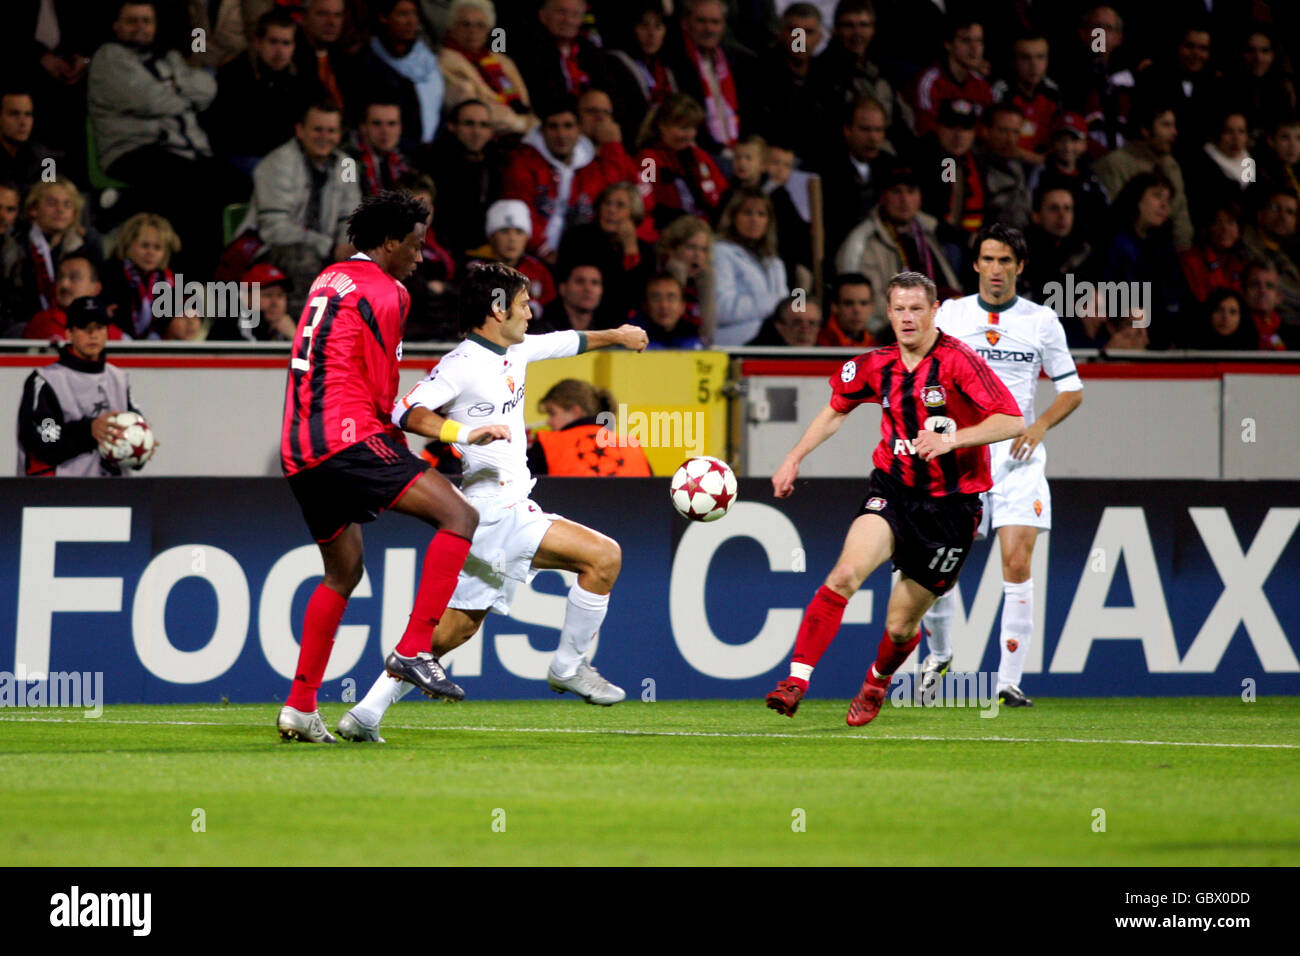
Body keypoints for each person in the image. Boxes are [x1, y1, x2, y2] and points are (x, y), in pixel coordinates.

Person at [336, 262, 650, 741]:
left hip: (499, 511)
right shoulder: (462, 364)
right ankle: (568, 667)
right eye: (523, 304)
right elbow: (404, 410)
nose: (530, 313)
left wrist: (619, 335)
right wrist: (464, 432)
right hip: (493, 506)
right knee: (604, 556)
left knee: (456, 630)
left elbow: (567, 340)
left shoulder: (515, 350)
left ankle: (366, 712)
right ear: (497, 308)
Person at [764, 270, 1024, 725]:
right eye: (899, 309)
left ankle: (878, 680)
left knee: (900, 626)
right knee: (845, 573)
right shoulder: (876, 364)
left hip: (952, 509)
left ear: (934, 311)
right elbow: (835, 411)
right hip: (893, 492)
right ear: (888, 313)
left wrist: (953, 440)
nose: (907, 318)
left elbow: (1011, 420)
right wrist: (794, 456)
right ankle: (796, 680)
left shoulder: (959, 362)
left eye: (916, 309)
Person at [276, 191, 481, 743]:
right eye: (415, 244)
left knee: (343, 572)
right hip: (348, 437)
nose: (421, 255)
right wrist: (417, 444)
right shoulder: (388, 292)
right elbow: (383, 390)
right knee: (459, 517)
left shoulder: (328, 278)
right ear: (389, 242)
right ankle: (415, 649)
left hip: (298, 446)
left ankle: (299, 707)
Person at [918, 225, 1084, 708]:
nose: (995, 269)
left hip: (1018, 459)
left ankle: (1007, 682)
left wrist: (1039, 427)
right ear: (975, 265)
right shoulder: (949, 315)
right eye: (988, 259)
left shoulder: (1041, 321)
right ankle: (941, 654)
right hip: (962, 456)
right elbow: (925, 370)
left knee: (1016, 562)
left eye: (1005, 261)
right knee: (942, 564)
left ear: (1020, 266)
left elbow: (1071, 389)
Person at [250, 99, 361, 315]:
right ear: (300, 130)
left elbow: (351, 215)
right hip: (272, 249)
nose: (324, 137)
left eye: (331, 131)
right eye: (317, 129)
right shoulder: (277, 162)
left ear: (339, 134)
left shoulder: (346, 164)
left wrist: (346, 246)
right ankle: (300, 334)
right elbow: (274, 229)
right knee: (304, 259)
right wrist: (329, 247)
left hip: (329, 248)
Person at [17, 296, 145, 478]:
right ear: (69, 333)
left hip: (115, 494)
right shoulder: (46, 381)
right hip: (61, 495)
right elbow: (45, 442)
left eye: (99, 327)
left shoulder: (119, 379)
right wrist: (89, 430)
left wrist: (140, 448)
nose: (92, 334)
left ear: (108, 332)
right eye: (84, 327)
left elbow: (136, 429)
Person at [501, 97, 636, 263]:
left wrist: (612, 146)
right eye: (553, 127)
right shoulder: (522, 162)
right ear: (542, 131)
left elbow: (622, 186)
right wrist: (545, 252)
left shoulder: (591, 165)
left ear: (579, 130)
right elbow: (518, 211)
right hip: (531, 256)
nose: (561, 134)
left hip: (580, 257)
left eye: (568, 126)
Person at [836, 164, 960, 337]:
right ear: (882, 197)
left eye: (911, 192)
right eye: (896, 192)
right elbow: (860, 307)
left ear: (920, 197)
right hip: (888, 337)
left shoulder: (931, 232)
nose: (904, 200)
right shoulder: (862, 241)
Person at [207, 10, 316, 173]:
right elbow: (225, 134)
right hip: (244, 158)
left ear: (294, 47)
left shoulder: (299, 78)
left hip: (286, 159)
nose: (279, 51)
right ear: (258, 42)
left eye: (286, 43)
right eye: (273, 42)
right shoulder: (233, 75)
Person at [556, 181, 655, 322]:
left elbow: (637, 295)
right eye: (607, 203)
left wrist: (630, 250)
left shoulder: (645, 250)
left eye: (620, 205)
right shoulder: (578, 239)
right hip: (580, 318)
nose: (611, 210)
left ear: (633, 214)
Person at [439, 0, 538, 137]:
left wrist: (529, 123)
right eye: (465, 24)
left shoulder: (502, 60)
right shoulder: (446, 61)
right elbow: (471, 109)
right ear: (451, 28)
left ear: (488, 30)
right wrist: (523, 124)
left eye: (480, 25)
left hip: (520, 132)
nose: (473, 30)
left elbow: (524, 102)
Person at [360, 0, 444, 151]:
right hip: (393, 151)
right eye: (403, 14)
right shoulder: (368, 61)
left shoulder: (427, 59)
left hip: (432, 148)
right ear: (383, 17)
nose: (411, 21)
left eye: (414, 14)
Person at [636, 93, 726, 230]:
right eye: (683, 128)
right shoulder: (649, 159)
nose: (689, 134)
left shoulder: (699, 156)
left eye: (693, 128)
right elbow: (648, 202)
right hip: (671, 231)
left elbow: (721, 193)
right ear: (662, 126)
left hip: (707, 227)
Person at [711, 187, 788, 346]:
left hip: (772, 343)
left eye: (761, 214)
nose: (754, 220)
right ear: (733, 217)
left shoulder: (774, 262)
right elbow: (721, 309)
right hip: (734, 344)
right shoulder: (721, 252)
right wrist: (775, 303)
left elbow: (786, 310)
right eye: (747, 213)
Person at [529, 378, 654, 475]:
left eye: (552, 413)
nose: (549, 422)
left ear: (575, 411)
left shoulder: (547, 446)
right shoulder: (632, 447)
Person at [605, 3, 679, 147]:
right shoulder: (615, 64)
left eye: (658, 27)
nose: (651, 34)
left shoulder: (667, 70)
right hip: (637, 148)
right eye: (644, 26)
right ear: (632, 28)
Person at [99, 212, 180, 340]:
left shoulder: (168, 281)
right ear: (128, 244)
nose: (150, 252)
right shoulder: (107, 274)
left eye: (157, 248)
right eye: (144, 245)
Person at [658, 213, 716, 342]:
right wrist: (677, 278)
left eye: (703, 250)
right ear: (672, 249)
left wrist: (706, 287)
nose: (697, 255)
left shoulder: (702, 281)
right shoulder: (656, 277)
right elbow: (669, 329)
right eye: (691, 247)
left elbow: (708, 334)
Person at [347, 99, 414, 196]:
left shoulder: (407, 162)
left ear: (400, 128)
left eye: (391, 124)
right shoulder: (347, 162)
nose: (385, 131)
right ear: (363, 127)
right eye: (377, 123)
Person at [630, 272, 704, 349]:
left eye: (671, 298)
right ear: (645, 305)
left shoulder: (693, 339)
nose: (664, 305)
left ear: (682, 306)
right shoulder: (630, 338)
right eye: (656, 298)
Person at [817, 273, 875, 347]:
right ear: (834, 306)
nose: (857, 310)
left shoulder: (875, 345)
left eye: (863, 303)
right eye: (848, 303)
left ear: (872, 306)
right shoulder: (819, 342)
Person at [1194, 288, 1258, 350]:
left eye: (1233, 312)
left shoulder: (1250, 350)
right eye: (1219, 310)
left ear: (1242, 317)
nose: (1225, 317)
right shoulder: (1193, 348)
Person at [747, 294, 822, 346]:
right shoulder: (750, 358)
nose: (805, 330)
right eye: (797, 323)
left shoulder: (829, 360)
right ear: (779, 326)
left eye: (812, 323)